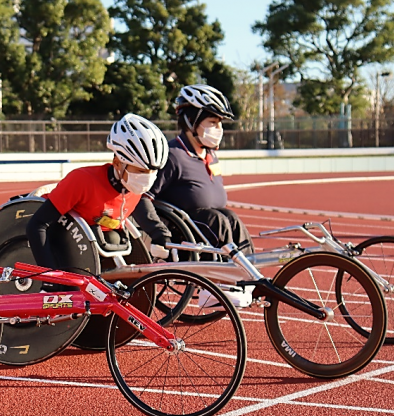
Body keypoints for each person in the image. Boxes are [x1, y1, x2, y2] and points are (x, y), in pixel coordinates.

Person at [26, 114, 170, 285]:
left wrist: (160, 236)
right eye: (140, 171)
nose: (147, 178)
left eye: (152, 172)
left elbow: (146, 216)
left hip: (95, 245)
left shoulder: (135, 189)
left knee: (114, 239)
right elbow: (36, 225)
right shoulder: (82, 181)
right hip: (56, 238)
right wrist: (51, 279)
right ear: (117, 162)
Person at [135, 84, 253, 253]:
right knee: (216, 220)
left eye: (220, 123)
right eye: (212, 122)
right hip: (185, 233)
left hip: (214, 226)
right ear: (191, 121)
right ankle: (233, 269)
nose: (219, 129)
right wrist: (158, 232)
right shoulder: (172, 155)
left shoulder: (210, 154)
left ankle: (250, 267)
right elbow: (142, 197)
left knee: (231, 218)